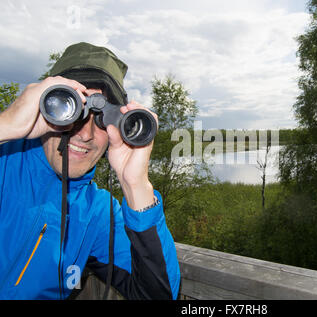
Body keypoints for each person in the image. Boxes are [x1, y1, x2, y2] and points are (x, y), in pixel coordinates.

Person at [0, 42, 181, 299]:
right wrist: (6, 126)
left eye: (100, 120)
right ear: (43, 107)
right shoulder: (5, 163)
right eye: (70, 110)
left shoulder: (98, 214)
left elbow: (158, 296)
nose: (85, 134)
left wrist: (136, 185)